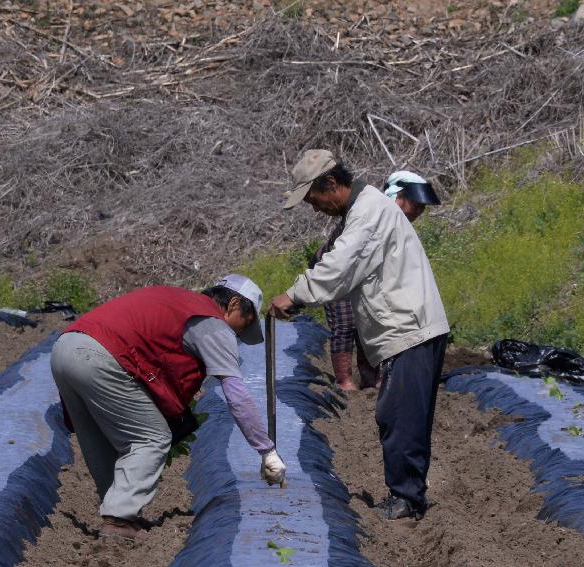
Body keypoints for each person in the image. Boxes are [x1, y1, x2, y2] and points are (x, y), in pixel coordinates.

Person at [270, 150, 449, 521]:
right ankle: (409, 494)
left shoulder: (368, 212)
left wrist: (295, 294)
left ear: (331, 184)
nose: (314, 208)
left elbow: (340, 267)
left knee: (400, 417)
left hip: (409, 330)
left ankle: (406, 500)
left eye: (313, 198)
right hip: (407, 328)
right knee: (402, 416)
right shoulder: (365, 210)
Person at [52, 274, 286, 541]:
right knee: (152, 437)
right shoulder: (212, 323)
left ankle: (117, 512)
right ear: (233, 304)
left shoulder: (178, 301)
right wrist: (267, 451)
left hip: (65, 347)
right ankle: (118, 520)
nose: (239, 334)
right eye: (244, 325)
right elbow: (237, 396)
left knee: (99, 439)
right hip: (99, 357)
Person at [310, 170, 441, 391]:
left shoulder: (396, 219)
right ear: (398, 197)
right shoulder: (374, 213)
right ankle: (344, 382)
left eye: (422, 208)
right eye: (416, 205)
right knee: (345, 324)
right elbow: (345, 259)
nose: (419, 211)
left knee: (368, 322)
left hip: (360, 273)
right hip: (335, 270)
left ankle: (371, 379)